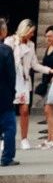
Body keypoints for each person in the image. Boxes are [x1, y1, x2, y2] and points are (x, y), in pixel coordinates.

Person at [7, 20, 49, 152]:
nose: (32, 34)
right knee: (6, 111)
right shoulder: (11, 41)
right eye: (31, 32)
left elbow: (34, 64)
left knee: (24, 110)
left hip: (24, 80)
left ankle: (24, 139)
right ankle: (4, 138)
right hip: (10, 79)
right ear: (25, 30)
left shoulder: (31, 45)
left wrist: (49, 70)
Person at [0, 32, 16, 166]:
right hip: (3, 93)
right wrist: (12, 92)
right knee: (9, 126)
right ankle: (7, 157)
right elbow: (11, 75)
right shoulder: (5, 50)